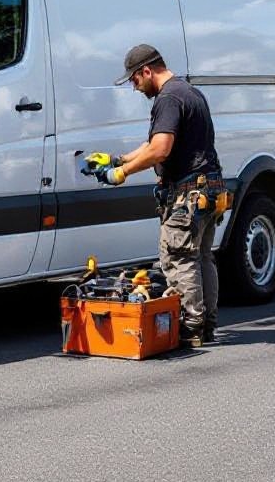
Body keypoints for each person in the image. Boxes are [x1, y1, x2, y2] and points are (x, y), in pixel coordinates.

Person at [90, 44, 225, 348]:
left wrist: (121, 175)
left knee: (179, 258)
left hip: (188, 192)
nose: (136, 88)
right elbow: (154, 143)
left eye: (135, 81)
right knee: (202, 257)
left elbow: (160, 149)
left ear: (147, 71)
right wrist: (119, 159)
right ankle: (206, 326)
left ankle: (190, 328)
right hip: (210, 188)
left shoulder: (168, 98)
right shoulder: (188, 91)